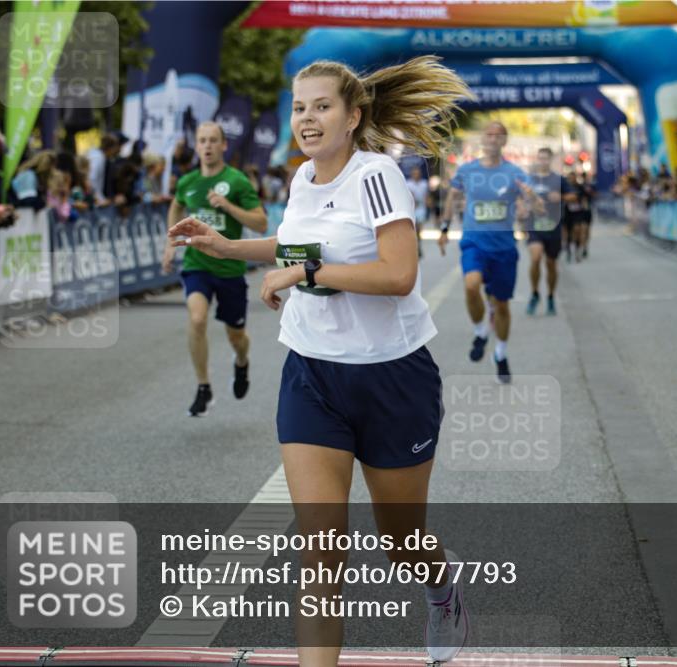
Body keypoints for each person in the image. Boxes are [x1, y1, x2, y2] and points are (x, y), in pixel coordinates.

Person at [168, 56, 472, 666]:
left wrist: (306, 271)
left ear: (353, 115)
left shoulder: (378, 174)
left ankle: (443, 591)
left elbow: (398, 273)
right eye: (299, 106)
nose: (307, 118)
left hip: (392, 376)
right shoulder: (303, 178)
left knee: (403, 542)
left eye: (322, 106)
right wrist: (230, 246)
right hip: (312, 373)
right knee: (321, 547)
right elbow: (294, 241)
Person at [161, 121, 268, 416]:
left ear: (223, 145)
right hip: (197, 265)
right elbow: (176, 206)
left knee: (236, 336)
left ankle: (242, 362)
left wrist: (227, 206)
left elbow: (260, 223)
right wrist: (171, 241)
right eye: (202, 140)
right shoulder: (187, 182)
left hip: (230, 267)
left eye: (213, 141)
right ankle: (204, 387)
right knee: (197, 318)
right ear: (197, 145)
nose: (207, 146)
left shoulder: (237, 181)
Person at [438, 121, 545, 383]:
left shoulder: (515, 172)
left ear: (505, 141)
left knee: (502, 306)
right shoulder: (467, 170)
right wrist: (444, 228)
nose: (494, 138)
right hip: (474, 241)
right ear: (482, 140)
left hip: (504, 248)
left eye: (500, 135)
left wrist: (531, 198)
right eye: (489, 134)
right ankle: (480, 331)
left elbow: (541, 210)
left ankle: (500, 353)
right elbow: (452, 197)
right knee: (471, 284)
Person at [522, 147, 574, 316]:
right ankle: (535, 293)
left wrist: (560, 197)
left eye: (545, 158)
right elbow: (520, 199)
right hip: (534, 226)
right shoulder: (530, 179)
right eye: (540, 158)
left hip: (553, 227)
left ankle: (551, 295)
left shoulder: (558, 179)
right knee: (535, 257)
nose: (542, 161)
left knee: (551, 264)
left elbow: (573, 196)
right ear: (537, 160)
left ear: (550, 160)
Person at [406, 165, 429, 257]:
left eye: (418, 173)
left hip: (421, 209)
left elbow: (427, 196)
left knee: (419, 229)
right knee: (414, 230)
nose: (416, 175)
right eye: (414, 173)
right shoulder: (408, 184)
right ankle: (414, 247)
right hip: (412, 209)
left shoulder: (424, 184)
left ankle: (418, 245)